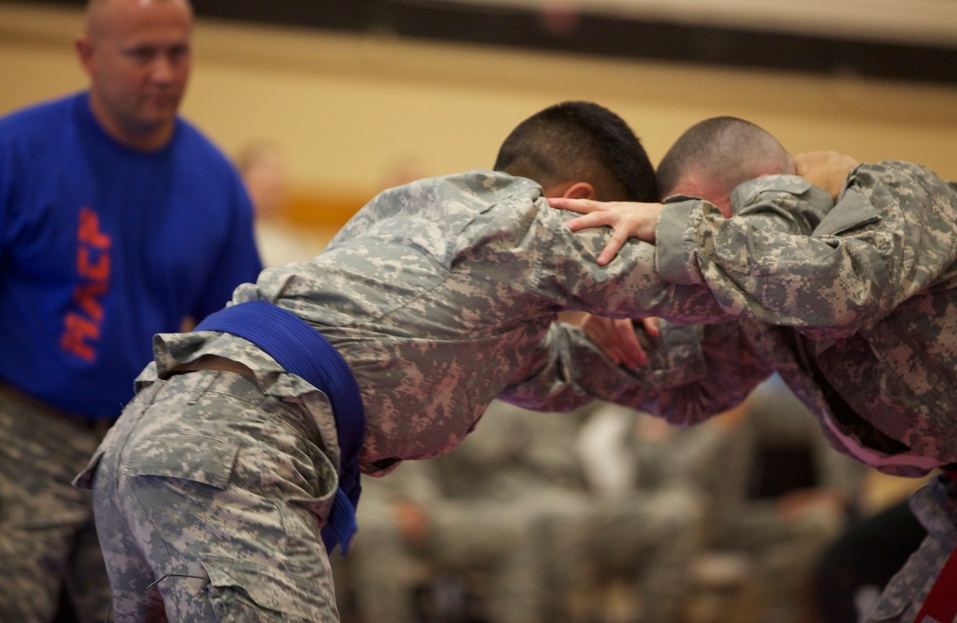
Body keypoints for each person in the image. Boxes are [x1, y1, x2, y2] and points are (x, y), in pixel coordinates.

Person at [70, 99, 688, 622]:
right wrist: (757, 207)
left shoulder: (410, 217)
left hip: (155, 431)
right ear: (576, 204)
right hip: (230, 453)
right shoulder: (532, 227)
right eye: (617, 232)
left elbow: (552, 368)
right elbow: (729, 269)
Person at [544, 116, 957, 622]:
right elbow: (689, 386)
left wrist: (679, 230)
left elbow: (841, 291)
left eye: (705, 219)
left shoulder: (897, 195)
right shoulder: (755, 284)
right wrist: (585, 324)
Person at [0, 0, 262, 623]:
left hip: (134, 451)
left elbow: (234, 335)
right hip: (18, 433)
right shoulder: (19, 150)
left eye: (178, 52)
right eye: (142, 53)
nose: (165, 72)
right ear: (88, 55)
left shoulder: (215, 182)